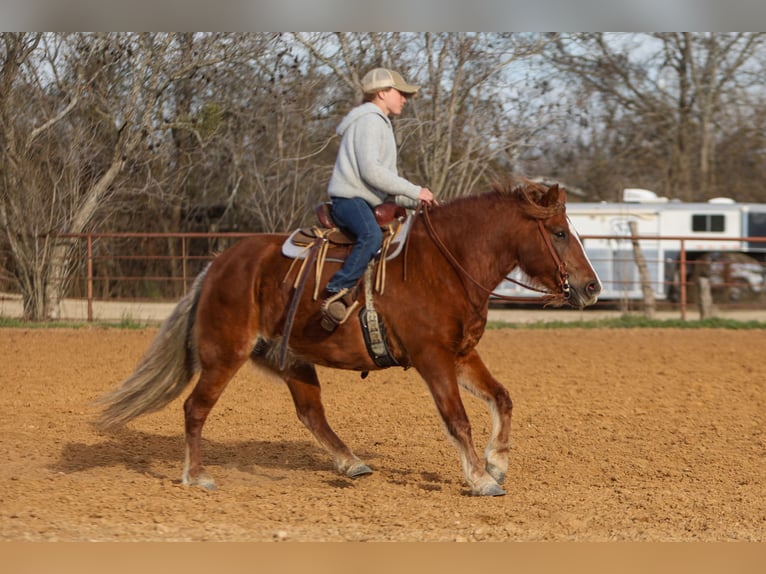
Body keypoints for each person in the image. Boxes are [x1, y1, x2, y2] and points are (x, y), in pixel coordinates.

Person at [320, 67, 436, 331]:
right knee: (371, 236)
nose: (404, 99)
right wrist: (415, 190)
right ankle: (336, 290)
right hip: (349, 200)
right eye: (401, 93)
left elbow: (385, 186)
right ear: (383, 93)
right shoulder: (370, 120)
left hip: (366, 200)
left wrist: (417, 202)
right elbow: (372, 172)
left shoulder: (378, 121)